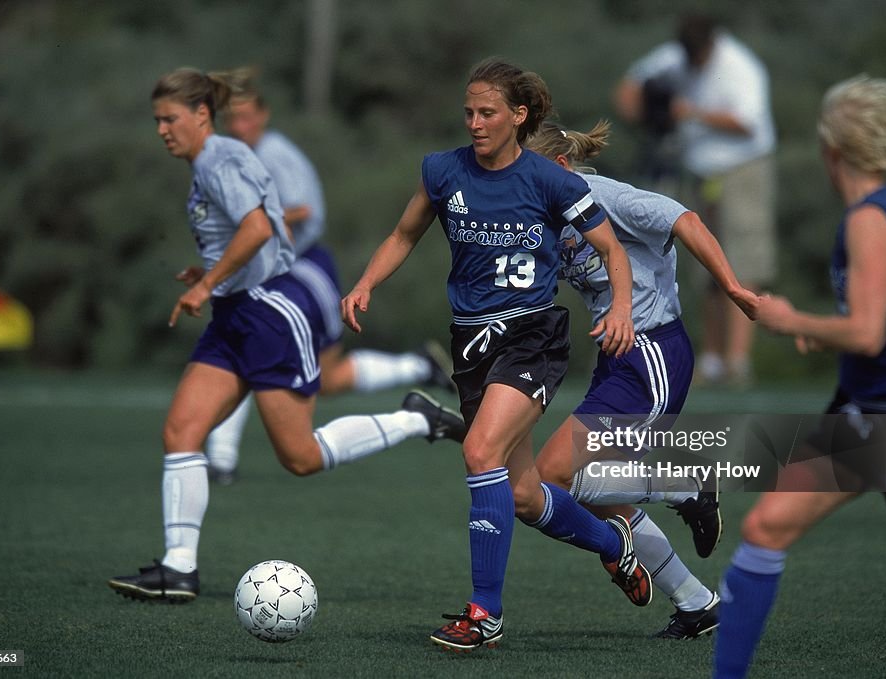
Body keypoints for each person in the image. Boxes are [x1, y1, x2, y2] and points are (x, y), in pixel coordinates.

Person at [108, 67, 466, 603]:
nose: (162, 129)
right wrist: (210, 274)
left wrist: (207, 283)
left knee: (299, 458)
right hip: (234, 315)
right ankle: (178, 568)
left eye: (170, 119)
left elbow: (258, 229)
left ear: (201, 115)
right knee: (182, 431)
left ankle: (415, 418)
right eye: (157, 120)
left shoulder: (218, 158)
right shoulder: (213, 158)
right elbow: (252, 231)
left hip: (269, 316)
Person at [342, 59, 652, 652]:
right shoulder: (442, 171)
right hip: (473, 344)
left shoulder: (553, 181)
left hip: (532, 336)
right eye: (469, 112)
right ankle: (615, 546)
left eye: (487, 112)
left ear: (519, 116)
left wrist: (620, 310)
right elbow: (405, 234)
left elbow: (612, 251)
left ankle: (485, 613)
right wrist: (364, 284)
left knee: (480, 450)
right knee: (523, 493)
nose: (475, 122)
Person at [712, 75, 886, 679]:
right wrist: (838, 322)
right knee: (767, 529)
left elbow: (868, 333)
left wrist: (788, 320)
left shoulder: (866, 219)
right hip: (883, 412)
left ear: (831, 149)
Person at [524, 120, 761, 639]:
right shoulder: (545, 214)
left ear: (562, 168)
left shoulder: (605, 196)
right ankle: (696, 602)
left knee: (550, 479)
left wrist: (732, 287)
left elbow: (686, 219)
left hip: (652, 353)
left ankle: (687, 485)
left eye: (534, 175)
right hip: (617, 361)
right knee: (583, 493)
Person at [204, 70, 454, 484]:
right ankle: (418, 368)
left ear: (263, 116)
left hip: (302, 271)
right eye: (232, 119)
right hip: (278, 273)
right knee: (321, 375)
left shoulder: (274, 152)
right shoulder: (239, 155)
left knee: (264, 353)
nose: (239, 126)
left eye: (247, 117)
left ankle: (221, 460)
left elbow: (302, 209)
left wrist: (255, 221)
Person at [614, 13, 776, 386]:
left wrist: (692, 113)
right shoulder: (677, 55)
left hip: (743, 168)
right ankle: (714, 359)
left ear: (712, 44)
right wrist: (642, 117)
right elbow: (629, 87)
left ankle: (738, 362)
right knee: (705, 262)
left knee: (743, 260)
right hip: (700, 172)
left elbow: (748, 121)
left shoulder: (739, 66)